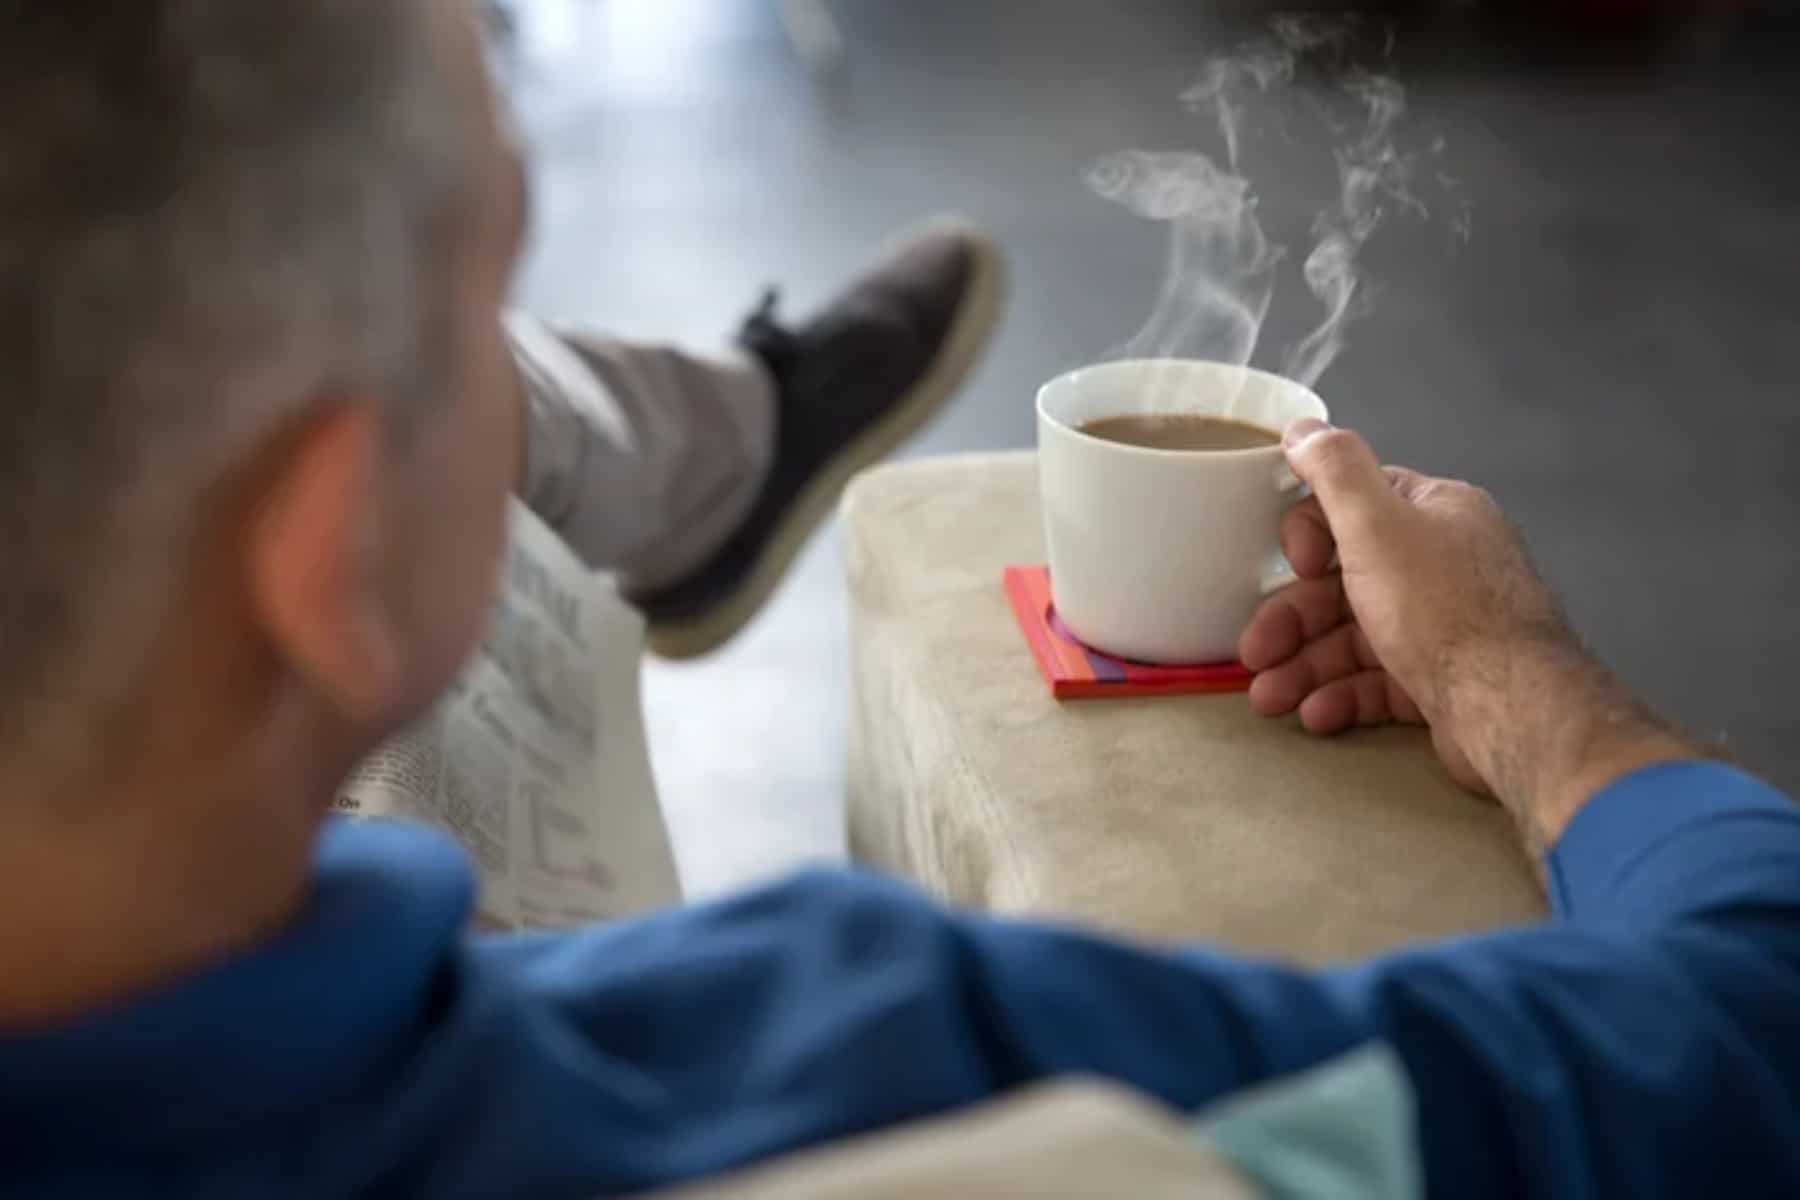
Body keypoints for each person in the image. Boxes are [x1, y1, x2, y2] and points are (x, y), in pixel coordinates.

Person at [1, 2, 1795, 1197]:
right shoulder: (877, 1060)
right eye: (490, 303)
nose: (503, 354)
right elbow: (1743, 1042)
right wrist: (1511, 682)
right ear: (332, 559)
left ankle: (714, 448)